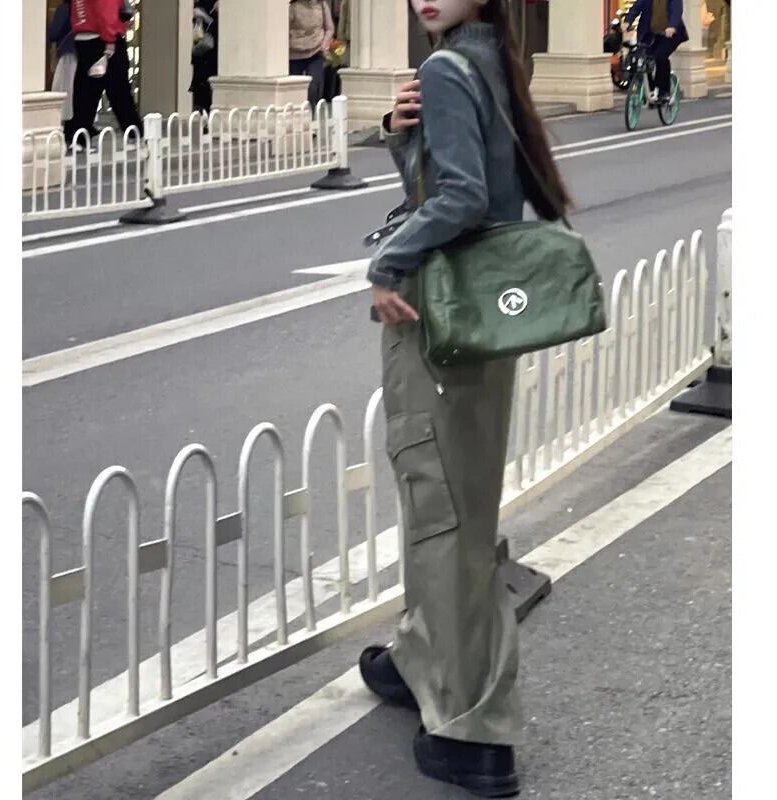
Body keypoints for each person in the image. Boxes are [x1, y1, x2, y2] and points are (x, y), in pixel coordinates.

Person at [360, 1, 571, 796]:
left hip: (439, 316)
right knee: (459, 503)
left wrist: (387, 264)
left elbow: (460, 199)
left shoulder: (450, 68)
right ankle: (424, 656)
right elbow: (470, 186)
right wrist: (401, 134)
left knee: (440, 508)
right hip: (484, 318)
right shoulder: (489, 60)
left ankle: (472, 728)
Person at [69, 0, 144, 146]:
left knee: (85, 92)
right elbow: (107, 10)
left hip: (83, 37)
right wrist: (110, 40)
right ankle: (135, 133)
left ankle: (79, 137)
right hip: (103, 40)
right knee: (119, 91)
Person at [623, 0, 689, 103]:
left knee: (661, 56)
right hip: (650, 35)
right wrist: (628, 21)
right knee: (644, 59)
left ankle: (664, 92)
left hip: (669, 35)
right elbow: (636, 7)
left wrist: (672, 26)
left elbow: (676, 11)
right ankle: (651, 90)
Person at [289, 0, 334, 109]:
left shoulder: (322, 4)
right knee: (295, 89)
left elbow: (330, 28)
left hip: (316, 50)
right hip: (295, 53)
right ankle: (296, 114)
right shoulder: (293, 7)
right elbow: (283, 30)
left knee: (314, 87)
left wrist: (324, 44)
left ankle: (312, 113)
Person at [48, 0, 81, 142]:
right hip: (82, 52)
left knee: (64, 91)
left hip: (67, 52)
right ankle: (75, 128)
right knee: (75, 92)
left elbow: (54, 32)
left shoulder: (65, 8)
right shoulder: (82, 8)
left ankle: (65, 127)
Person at [190, 0, 218, 116]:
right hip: (201, 56)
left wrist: (206, 17)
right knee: (201, 89)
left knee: (207, 87)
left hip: (212, 57)